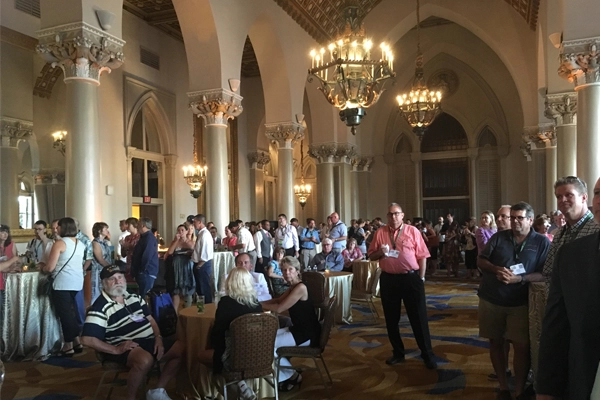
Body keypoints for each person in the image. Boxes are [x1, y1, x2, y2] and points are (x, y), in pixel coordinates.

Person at [477, 202, 550, 400]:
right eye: (513, 218)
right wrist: (496, 269)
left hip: (520, 302)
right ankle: (503, 387)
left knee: (522, 346)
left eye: (520, 218)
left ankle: (518, 390)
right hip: (492, 298)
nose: (515, 221)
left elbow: (545, 273)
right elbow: (481, 260)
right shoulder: (499, 237)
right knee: (496, 343)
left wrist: (521, 279)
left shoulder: (541, 242)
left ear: (530, 220)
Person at [536, 176, 600, 400]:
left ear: (582, 198)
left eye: (568, 195)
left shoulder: (589, 230)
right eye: (598, 193)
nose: (562, 200)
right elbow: (556, 326)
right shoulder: (568, 246)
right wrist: (547, 387)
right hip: (585, 364)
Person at [82, 265, 185, 400]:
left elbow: (151, 320)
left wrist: (158, 338)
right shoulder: (100, 307)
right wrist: (115, 349)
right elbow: (87, 339)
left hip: (148, 341)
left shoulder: (134, 297)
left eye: (120, 277)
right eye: (112, 279)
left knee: (181, 349)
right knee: (144, 360)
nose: (118, 281)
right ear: (104, 283)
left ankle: (157, 391)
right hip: (124, 346)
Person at [368, 203, 437, 369]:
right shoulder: (380, 232)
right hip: (389, 280)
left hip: (410, 279)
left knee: (418, 318)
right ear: (387, 216)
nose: (393, 217)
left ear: (402, 215)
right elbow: (371, 256)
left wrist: (421, 278)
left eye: (396, 213)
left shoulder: (412, 231)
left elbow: (422, 256)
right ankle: (398, 353)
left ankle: (427, 354)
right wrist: (381, 252)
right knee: (391, 319)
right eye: (390, 214)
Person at [262, 256, 320, 391]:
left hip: (307, 334)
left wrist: (257, 306)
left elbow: (279, 308)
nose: (287, 273)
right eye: (284, 270)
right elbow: (277, 301)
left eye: (290, 269)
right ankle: (288, 373)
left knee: (266, 344)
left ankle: (293, 375)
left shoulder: (300, 288)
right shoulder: (293, 287)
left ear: (297, 271)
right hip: (299, 329)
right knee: (264, 338)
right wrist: (256, 303)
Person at [211, 267, 263, 400]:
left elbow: (218, 335)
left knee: (201, 356)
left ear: (230, 282)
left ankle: (220, 391)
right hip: (258, 354)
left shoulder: (225, 303)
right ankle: (242, 386)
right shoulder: (256, 304)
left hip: (232, 356)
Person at [39, 217, 86, 356]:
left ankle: (68, 345)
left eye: (58, 226)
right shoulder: (80, 243)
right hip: (77, 282)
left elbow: (50, 267)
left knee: (65, 315)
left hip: (62, 283)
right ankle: (77, 341)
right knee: (70, 313)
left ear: (63, 228)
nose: (56, 229)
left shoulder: (60, 243)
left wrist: (42, 268)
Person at [165, 224, 195, 312]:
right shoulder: (175, 242)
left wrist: (186, 243)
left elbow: (194, 251)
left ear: (186, 231)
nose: (180, 232)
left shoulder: (191, 242)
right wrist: (176, 241)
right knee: (176, 289)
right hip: (176, 267)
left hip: (187, 266)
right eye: (179, 230)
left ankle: (188, 310)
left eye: (182, 230)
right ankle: (175, 312)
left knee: (187, 286)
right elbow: (170, 252)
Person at [131, 217, 159, 297]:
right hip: (144, 272)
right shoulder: (144, 237)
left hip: (146, 273)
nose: (137, 227)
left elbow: (147, 256)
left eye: (138, 224)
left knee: (143, 296)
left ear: (143, 226)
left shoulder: (149, 238)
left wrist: (141, 271)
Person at [191, 214, 214, 304]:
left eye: (195, 222)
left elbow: (205, 253)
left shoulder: (205, 234)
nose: (193, 224)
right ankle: (201, 308)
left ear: (200, 222)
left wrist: (199, 266)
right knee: (200, 289)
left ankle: (207, 308)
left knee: (204, 288)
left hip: (202, 265)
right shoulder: (201, 233)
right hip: (200, 264)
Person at [0, 224, 21, 323]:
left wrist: (12, 267)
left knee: (9, 307)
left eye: (7, 232)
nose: (5, 234)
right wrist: (7, 268)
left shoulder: (11, 244)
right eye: (2, 232)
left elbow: (16, 261)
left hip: (9, 279)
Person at [91, 222, 113, 303]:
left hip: (106, 270)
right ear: (99, 231)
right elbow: (100, 259)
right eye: (105, 229)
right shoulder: (96, 243)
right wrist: (111, 268)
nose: (107, 231)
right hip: (99, 270)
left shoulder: (105, 242)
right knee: (98, 292)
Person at [120, 217, 141, 281]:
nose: (127, 227)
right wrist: (122, 246)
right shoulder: (127, 238)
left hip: (138, 264)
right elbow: (123, 254)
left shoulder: (140, 237)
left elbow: (140, 250)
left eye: (128, 225)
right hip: (129, 264)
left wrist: (129, 246)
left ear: (134, 225)